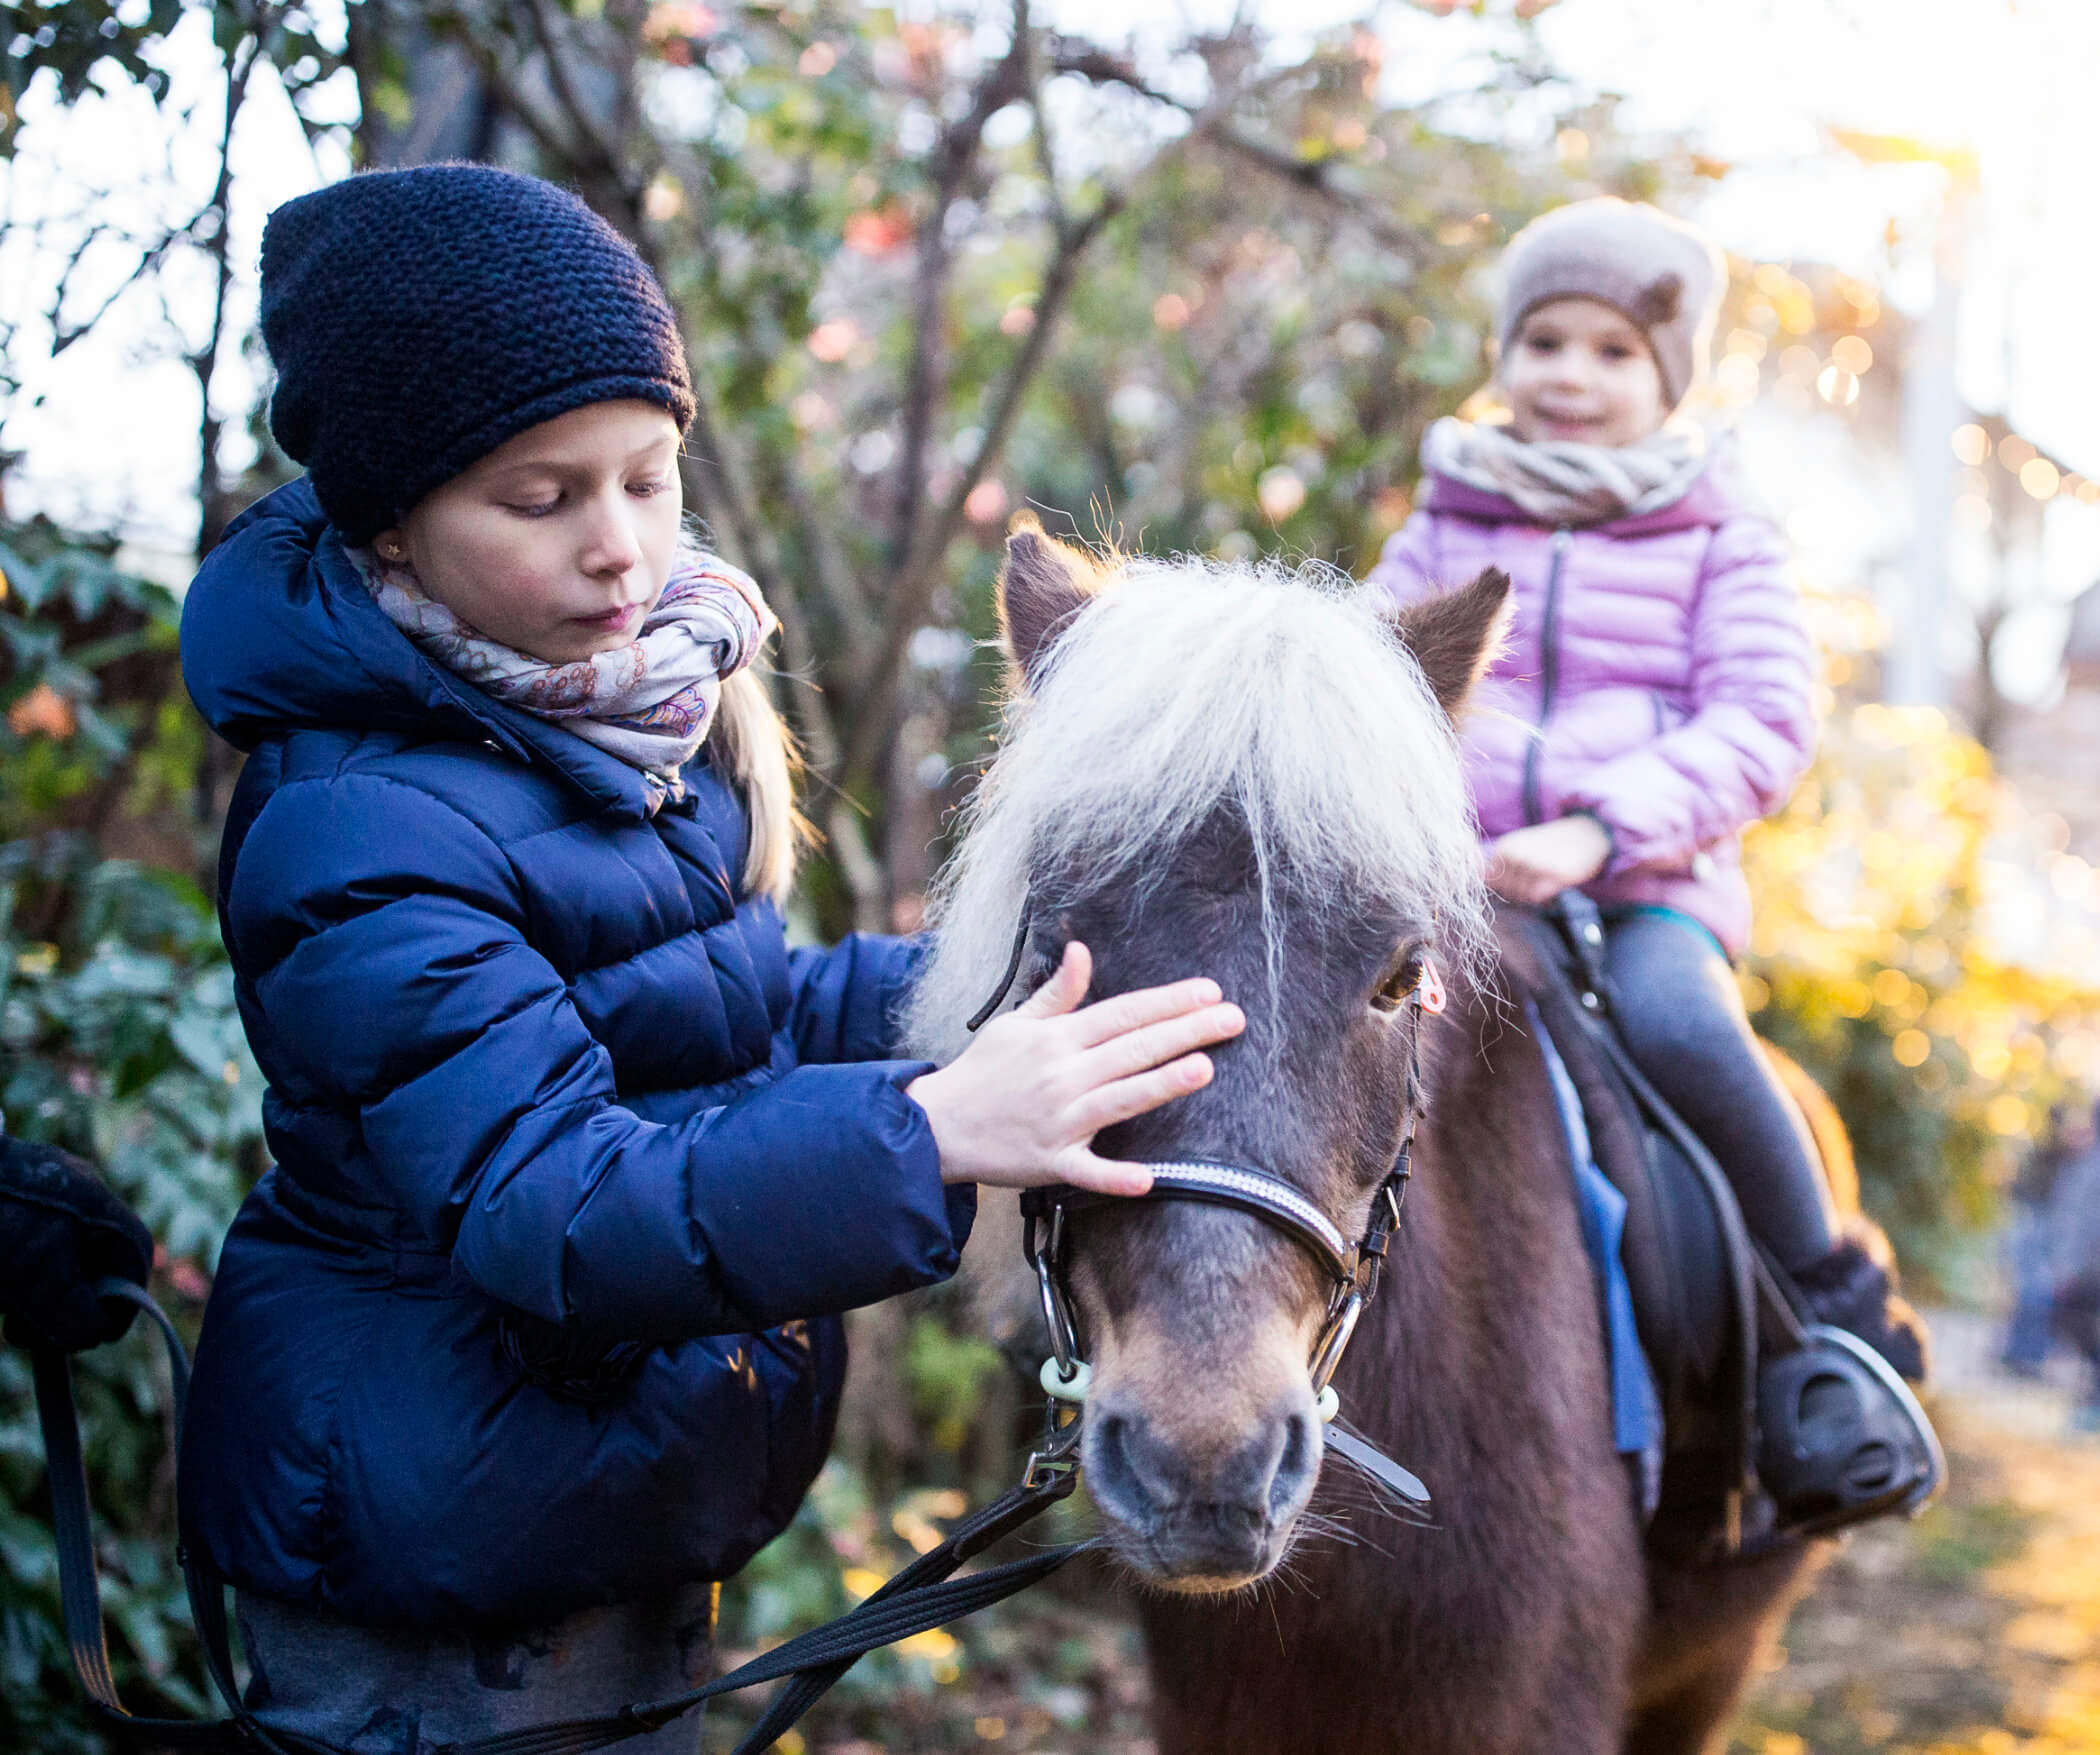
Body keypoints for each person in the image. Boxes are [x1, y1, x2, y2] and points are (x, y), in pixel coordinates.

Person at [175, 163, 1243, 1751]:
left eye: (651, 478)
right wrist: (936, 1127)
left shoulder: (632, 709)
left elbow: (732, 1016)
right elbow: (550, 1197)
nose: (620, 546)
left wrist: (991, 994)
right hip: (432, 1567)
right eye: (540, 498)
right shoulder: (359, 819)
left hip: (603, 1503)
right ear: (389, 520)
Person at [1367, 196, 1935, 1529]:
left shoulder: (1717, 529)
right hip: (1458, 884)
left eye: (1615, 351)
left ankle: (1834, 1339)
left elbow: (1764, 718)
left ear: (1667, 378)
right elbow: (1371, 676)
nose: (1572, 374)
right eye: (1546, 340)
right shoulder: (1449, 515)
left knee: (1683, 1028)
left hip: (1642, 889)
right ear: (1505, 355)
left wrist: (1602, 829)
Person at [2002, 1101, 2088, 1377]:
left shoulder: (2059, 1152)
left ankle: (2027, 1355)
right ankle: (2025, 1356)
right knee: (2035, 1291)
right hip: (2037, 1226)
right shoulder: (2055, 1151)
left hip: (2042, 1227)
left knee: (2036, 1292)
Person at [2047, 1101, 2100, 1432]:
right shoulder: (2085, 1162)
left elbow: (2075, 1216)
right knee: (2073, 1322)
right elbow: (2069, 1215)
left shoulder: (2086, 1164)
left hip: (2087, 1269)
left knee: (2079, 1324)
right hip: (2084, 1269)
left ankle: (2092, 1403)